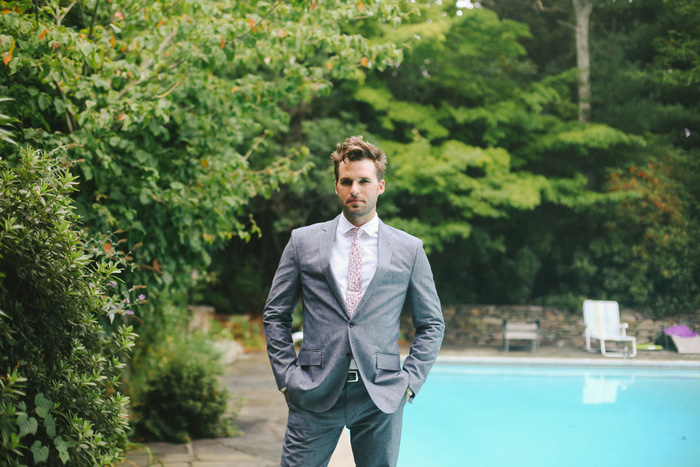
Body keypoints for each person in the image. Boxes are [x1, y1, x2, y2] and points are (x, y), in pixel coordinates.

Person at [263, 135, 445, 467]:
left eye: (364, 181)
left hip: (381, 395)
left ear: (380, 186)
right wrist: (287, 379)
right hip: (315, 390)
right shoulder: (302, 242)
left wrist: (408, 383)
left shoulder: (409, 248)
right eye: (346, 182)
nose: (355, 189)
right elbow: (275, 315)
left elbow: (431, 323)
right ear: (336, 187)